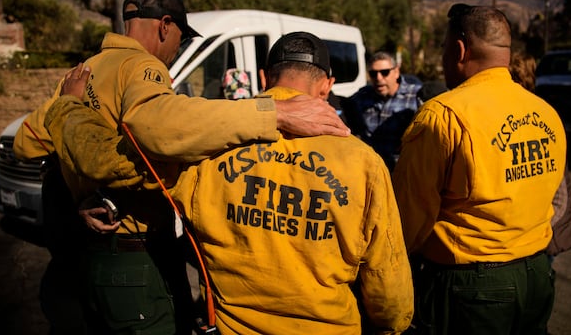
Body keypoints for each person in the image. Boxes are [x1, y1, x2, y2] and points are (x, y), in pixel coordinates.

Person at [12, 0, 349, 334]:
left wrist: (80, 187)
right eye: (181, 39)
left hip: (87, 256)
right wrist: (270, 112)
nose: (177, 49)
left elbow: (27, 143)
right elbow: (158, 127)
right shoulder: (144, 66)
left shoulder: (81, 73)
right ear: (165, 26)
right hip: (136, 256)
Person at [45, 31, 414, 334]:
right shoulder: (363, 162)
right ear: (327, 85)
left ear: (266, 76)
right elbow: (388, 283)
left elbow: (122, 166)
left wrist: (70, 113)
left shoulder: (207, 153)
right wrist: (390, 326)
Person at [392, 4, 567, 335]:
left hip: (472, 290)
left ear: (459, 50)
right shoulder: (546, 114)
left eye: (444, 49)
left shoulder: (442, 115)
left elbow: (406, 223)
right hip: (537, 276)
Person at [509, 51, 571, 257]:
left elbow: (560, 196)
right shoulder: (547, 115)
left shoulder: (542, 120)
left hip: (540, 238)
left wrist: (536, 234)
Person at [343, 51, 422, 171]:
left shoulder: (416, 96)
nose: (379, 78)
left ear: (396, 72)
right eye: (373, 74)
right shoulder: (362, 96)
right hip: (371, 170)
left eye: (385, 72)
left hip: (404, 171)